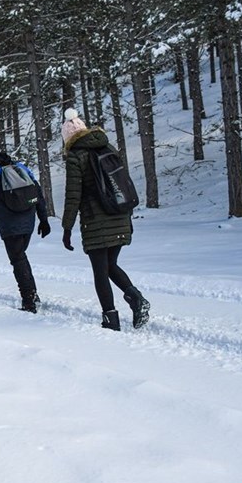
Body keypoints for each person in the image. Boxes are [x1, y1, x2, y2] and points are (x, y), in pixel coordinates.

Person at [60, 108, 151, 330]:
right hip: (119, 215)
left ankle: (111, 320)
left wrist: (67, 228)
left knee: (100, 271)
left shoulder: (75, 157)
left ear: (68, 138)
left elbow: (74, 195)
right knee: (110, 265)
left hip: (96, 221)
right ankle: (136, 299)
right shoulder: (107, 147)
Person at [0, 141, 51, 312]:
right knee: (21, 256)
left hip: (9, 221)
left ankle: (28, 301)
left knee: (17, 259)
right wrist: (43, 219)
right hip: (28, 218)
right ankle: (33, 294)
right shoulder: (20, 166)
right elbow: (37, 193)